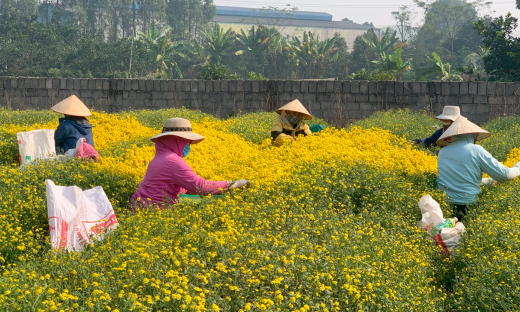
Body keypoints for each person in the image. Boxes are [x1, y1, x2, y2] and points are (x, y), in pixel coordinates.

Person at [130, 117, 250, 209]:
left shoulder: (159, 157)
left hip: (141, 207)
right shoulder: (173, 161)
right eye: (186, 141)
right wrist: (230, 184)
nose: (188, 145)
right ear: (176, 140)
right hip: (154, 212)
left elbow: (186, 187)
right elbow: (201, 187)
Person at [436, 116, 520, 221]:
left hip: (444, 206)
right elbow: (505, 175)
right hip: (467, 206)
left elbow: (459, 179)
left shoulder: (442, 152)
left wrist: (488, 181)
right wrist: (517, 167)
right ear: (471, 134)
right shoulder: (475, 150)